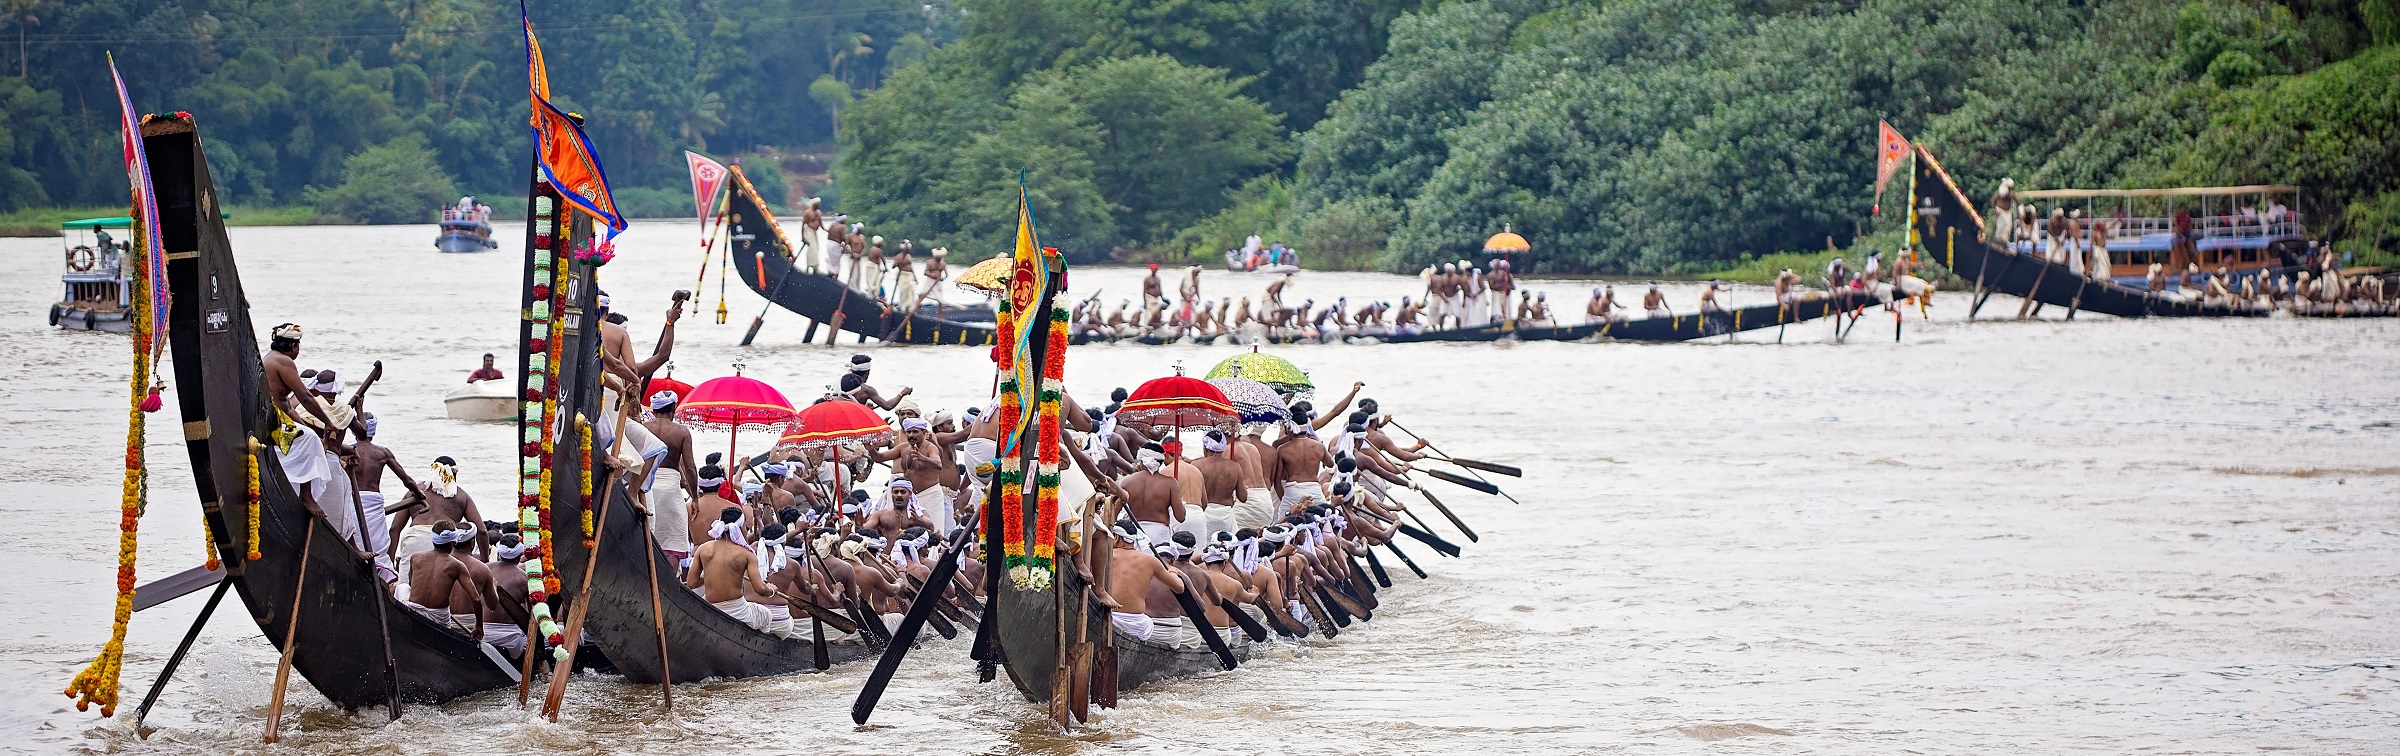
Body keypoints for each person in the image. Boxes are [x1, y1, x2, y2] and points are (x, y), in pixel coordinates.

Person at [344, 412, 418, 584]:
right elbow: (407, 480)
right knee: (376, 547)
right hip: (370, 505)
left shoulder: (346, 451)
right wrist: (419, 493)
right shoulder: (381, 453)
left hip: (353, 502)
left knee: (354, 539)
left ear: (355, 430)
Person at [391, 456, 487, 583]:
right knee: (441, 587)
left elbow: (394, 529)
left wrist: (389, 562)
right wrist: (485, 561)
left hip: (414, 540)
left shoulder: (415, 491)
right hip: (445, 542)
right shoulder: (461, 495)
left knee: (406, 587)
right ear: (455, 474)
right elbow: (482, 531)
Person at [1102, 520, 1191, 642]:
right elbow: (1179, 588)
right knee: (1148, 623)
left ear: (1116, 537)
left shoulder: (1104, 554)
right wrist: (1173, 573)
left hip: (1105, 615)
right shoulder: (1150, 561)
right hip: (1134, 623)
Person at [687, 506, 772, 631]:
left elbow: (691, 583)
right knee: (766, 615)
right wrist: (771, 591)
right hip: (738, 611)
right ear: (741, 527)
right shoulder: (746, 554)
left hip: (711, 608)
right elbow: (760, 589)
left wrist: (710, 576)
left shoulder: (703, 549)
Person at [642, 390, 701, 562]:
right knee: (673, 543)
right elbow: (690, 468)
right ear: (673, 409)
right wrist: (695, 497)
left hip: (646, 488)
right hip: (670, 491)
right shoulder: (681, 432)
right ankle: (668, 583)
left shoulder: (643, 428)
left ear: (653, 410)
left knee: (647, 537)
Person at [400, 521, 485, 639]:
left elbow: (410, 584)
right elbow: (476, 599)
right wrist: (479, 627)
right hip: (440, 618)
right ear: (453, 543)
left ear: (433, 540)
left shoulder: (415, 557)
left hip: (414, 611)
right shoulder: (457, 565)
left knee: (402, 587)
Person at [1119, 441, 1188, 546]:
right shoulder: (1170, 483)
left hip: (1135, 533)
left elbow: (1113, 512)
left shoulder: (1127, 481)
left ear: (1141, 460)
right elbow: (1180, 517)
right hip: (1160, 534)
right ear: (1160, 461)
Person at [1272, 417, 1333, 516]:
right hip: (1315, 491)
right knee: (1322, 522)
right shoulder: (1318, 446)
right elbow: (1330, 463)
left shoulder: (1283, 449)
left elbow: (1277, 481)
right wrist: (1318, 442)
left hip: (1292, 491)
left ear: (1289, 427)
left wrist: (1284, 498)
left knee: (1283, 526)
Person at [484, 533, 533, 655]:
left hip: (484, 633)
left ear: (499, 553)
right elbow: (533, 615)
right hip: (512, 638)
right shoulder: (524, 578)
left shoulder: (485, 569)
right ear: (520, 554)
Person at [843, 354, 913, 411]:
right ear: (867, 372)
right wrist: (902, 393)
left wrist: (865, 408)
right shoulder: (866, 389)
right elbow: (888, 406)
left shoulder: (840, 383)